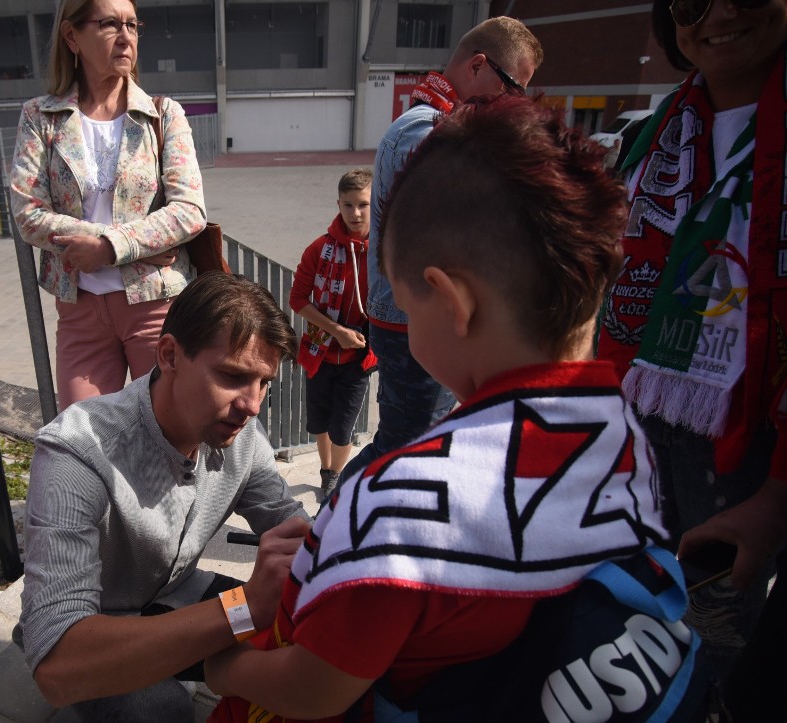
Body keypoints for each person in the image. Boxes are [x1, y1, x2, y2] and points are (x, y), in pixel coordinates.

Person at [201, 95, 706, 722]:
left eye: (408, 310)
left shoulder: (398, 505)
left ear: (451, 300)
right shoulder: (628, 440)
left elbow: (313, 688)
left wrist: (220, 661)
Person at [16, 271, 312, 721]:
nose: (252, 404)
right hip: (97, 629)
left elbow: (288, 522)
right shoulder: (76, 452)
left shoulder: (240, 432)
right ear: (170, 354)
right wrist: (245, 608)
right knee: (165, 711)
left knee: (302, 634)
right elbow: (57, 666)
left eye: (264, 382)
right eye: (233, 376)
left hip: (179, 595)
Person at [596, 0, 787, 684]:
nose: (719, 14)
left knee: (720, 639)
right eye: (692, 2)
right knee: (640, 616)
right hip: (640, 419)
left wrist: (778, 493)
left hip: (750, 447)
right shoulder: (658, 133)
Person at [339, 16, 544, 483]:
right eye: (514, 88)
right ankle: (330, 532)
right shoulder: (430, 130)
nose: (514, 102)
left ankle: (333, 529)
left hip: (412, 317)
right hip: (417, 321)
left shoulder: (435, 121)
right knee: (406, 444)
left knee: (408, 440)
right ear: (478, 65)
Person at [10, 0, 206, 411]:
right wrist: (110, 242)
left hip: (156, 306)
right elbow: (28, 213)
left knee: (168, 435)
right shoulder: (41, 117)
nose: (126, 36)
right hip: (80, 310)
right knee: (83, 439)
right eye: (110, 24)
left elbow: (189, 211)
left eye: (133, 25)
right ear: (71, 36)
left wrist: (113, 247)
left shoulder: (162, 116)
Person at [289, 168, 377, 500]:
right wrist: (336, 331)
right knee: (320, 422)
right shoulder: (319, 249)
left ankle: (336, 476)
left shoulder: (385, 250)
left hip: (360, 355)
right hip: (321, 351)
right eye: (349, 205)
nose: (356, 213)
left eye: (364, 205)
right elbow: (297, 299)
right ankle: (326, 471)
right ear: (338, 204)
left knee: (344, 428)